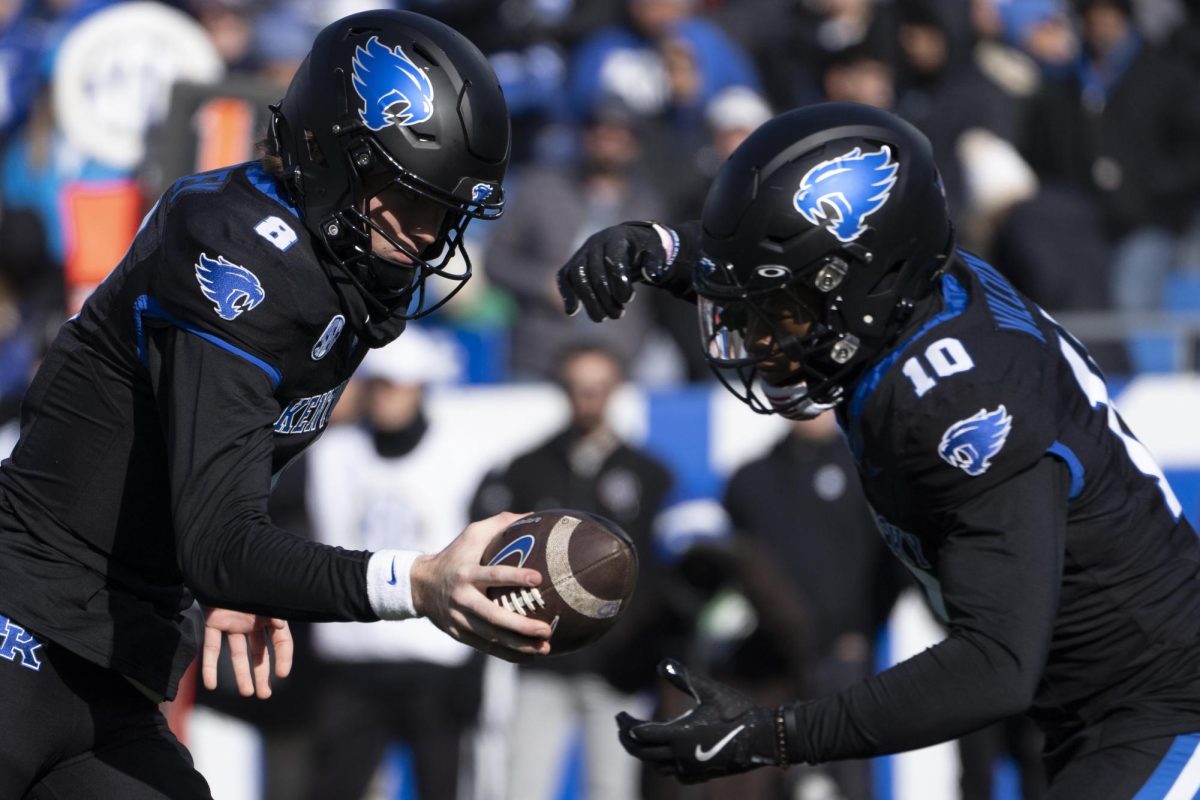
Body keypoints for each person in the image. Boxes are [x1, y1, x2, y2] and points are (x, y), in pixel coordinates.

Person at [556, 102, 1200, 797]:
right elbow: (784, 265)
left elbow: (994, 665)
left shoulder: (962, 400)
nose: (761, 338)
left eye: (784, 311)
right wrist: (667, 249)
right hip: (1098, 711)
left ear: (859, 288)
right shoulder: (916, 295)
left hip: (1163, 705)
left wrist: (776, 735)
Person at [0, 11, 552, 799]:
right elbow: (221, 543)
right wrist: (421, 582)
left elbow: (212, 493)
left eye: (444, 211)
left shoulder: (340, 272)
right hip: (21, 629)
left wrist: (235, 580)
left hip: (113, 664)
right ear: (328, 153)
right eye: (404, 197)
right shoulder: (238, 250)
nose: (426, 237)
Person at [470, 342, 673, 800]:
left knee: (612, 788)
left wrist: (642, 641)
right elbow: (489, 555)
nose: (589, 399)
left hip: (619, 668)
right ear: (563, 390)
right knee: (522, 785)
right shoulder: (526, 468)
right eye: (579, 388)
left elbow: (667, 571)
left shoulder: (650, 474)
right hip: (542, 661)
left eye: (599, 388)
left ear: (616, 389)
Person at [301, 327, 486, 800]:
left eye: (394, 386)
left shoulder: (462, 459)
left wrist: (475, 667)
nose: (383, 398)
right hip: (352, 661)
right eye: (376, 385)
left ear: (420, 388)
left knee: (440, 786)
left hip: (434, 659)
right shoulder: (330, 455)